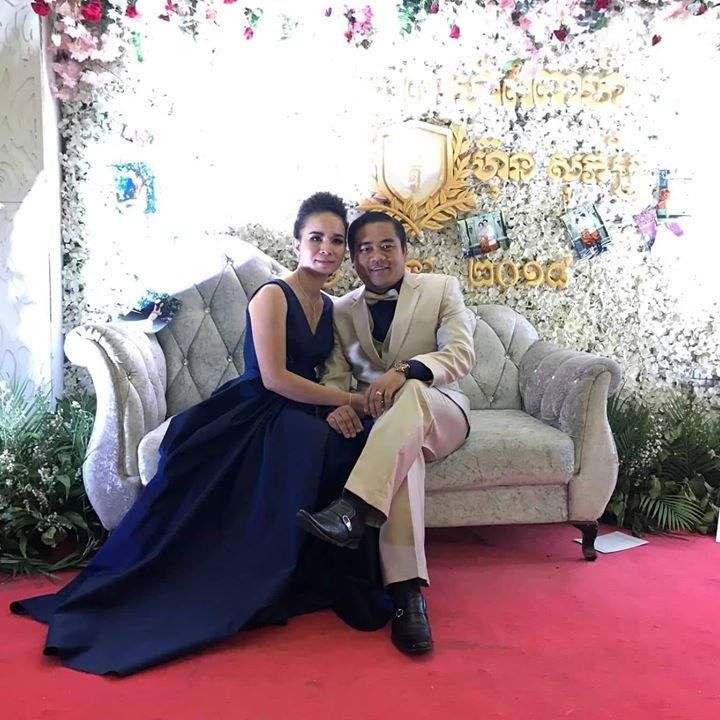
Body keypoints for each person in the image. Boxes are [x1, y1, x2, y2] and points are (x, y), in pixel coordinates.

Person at [11, 193, 391, 675]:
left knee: (353, 438)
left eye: (337, 241)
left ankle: (325, 564)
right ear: (297, 242)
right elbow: (275, 377)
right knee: (307, 439)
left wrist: (342, 406)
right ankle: (248, 572)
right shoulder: (273, 295)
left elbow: (327, 371)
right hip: (259, 406)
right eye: (316, 238)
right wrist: (347, 401)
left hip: (301, 407)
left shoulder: (329, 304)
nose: (327, 249)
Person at [297, 210, 476, 656]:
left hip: (441, 411)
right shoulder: (341, 310)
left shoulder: (442, 289)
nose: (376, 256)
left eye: (386, 246)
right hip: (387, 427)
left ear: (405, 250)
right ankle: (407, 597)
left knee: (411, 391)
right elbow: (336, 370)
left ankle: (353, 506)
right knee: (403, 458)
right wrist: (338, 404)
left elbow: (460, 353)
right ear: (354, 259)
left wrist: (406, 370)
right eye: (365, 249)